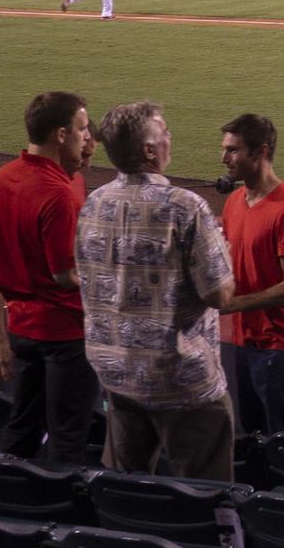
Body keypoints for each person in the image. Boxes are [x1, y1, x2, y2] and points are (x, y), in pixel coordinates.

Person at [78, 101, 238, 480]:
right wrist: (223, 249)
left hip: (117, 374)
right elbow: (220, 294)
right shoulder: (185, 208)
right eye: (164, 133)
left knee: (124, 491)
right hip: (182, 380)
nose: (170, 139)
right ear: (149, 150)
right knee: (207, 495)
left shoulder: (93, 202)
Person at [0, 91, 99, 462]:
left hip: (22, 329)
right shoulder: (59, 194)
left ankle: (8, 497)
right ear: (61, 134)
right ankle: (60, 513)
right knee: (67, 438)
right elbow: (65, 274)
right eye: (82, 129)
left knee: (23, 425)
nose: (87, 138)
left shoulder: (3, 178)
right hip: (64, 332)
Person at [217, 113, 284, 436]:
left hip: (279, 344)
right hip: (245, 340)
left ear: (260, 152)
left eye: (233, 150)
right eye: (225, 149)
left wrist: (236, 304)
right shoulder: (233, 202)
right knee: (254, 433)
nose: (224, 158)